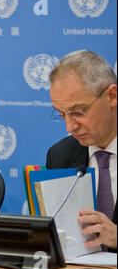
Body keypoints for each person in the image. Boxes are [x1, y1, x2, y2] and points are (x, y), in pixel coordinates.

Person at [46, 50, 117, 252]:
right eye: (62, 114)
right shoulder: (60, 155)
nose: (69, 127)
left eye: (78, 112)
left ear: (112, 95)